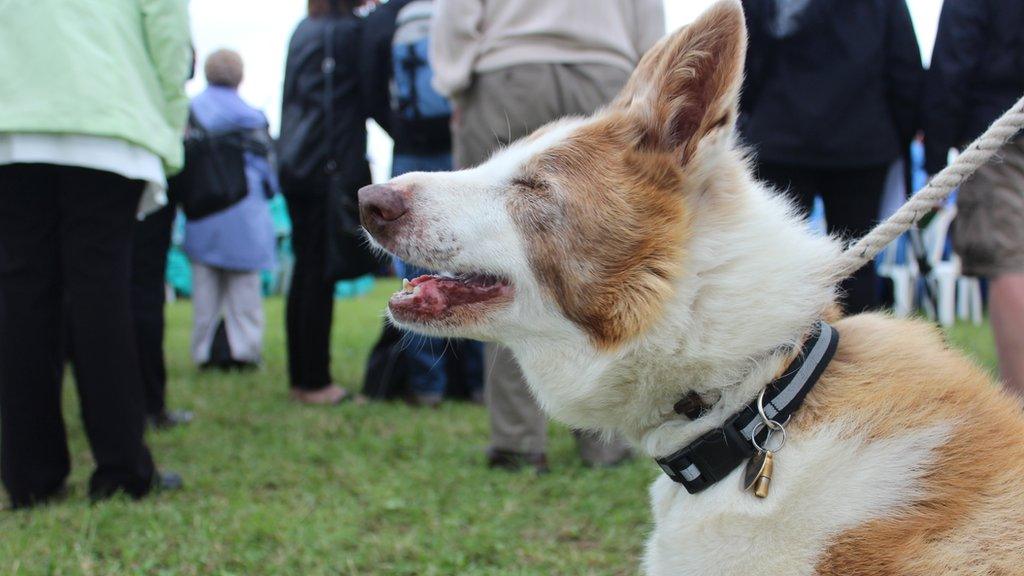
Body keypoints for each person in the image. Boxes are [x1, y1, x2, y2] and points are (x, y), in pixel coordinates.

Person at [430, 0, 665, 470]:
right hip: (608, 72)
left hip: (509, 71)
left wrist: (455, 81)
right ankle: (606, 441)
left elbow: (456, 15)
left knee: (493, 267)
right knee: (602, 266)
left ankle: (518, 442)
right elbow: (649, 22)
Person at [0, 0, 189, 508]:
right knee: (101, 295)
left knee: (21, 294)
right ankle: (122, 468)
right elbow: (168, 32)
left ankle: (29, 477)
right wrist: (169, 122)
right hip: (107, 113)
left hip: (10, 117)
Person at [739, 0, 923, 313]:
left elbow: (747, 59)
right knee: (859, 264)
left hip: (782, 137)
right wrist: (896, 137)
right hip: (861, 143)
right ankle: (859, 357)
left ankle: (779, 356)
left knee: (775, 263)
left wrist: (755, 118)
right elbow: (905, 68)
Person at [361, 0, 484, 407]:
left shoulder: (384, 19)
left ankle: (428, 385)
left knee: (411, 270)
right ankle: (477, 382)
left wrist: (400, 129)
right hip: (457, 144)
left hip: (410, 149)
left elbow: (370, 91)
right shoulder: (455, 9)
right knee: (475, 259)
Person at [925, 0, 1024, 397]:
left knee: (1010, 263)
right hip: (1003, 129)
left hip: (1000, 136)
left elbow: (954, 60)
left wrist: (936, 159)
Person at [278, 0, 369, 405]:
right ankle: (316, 382)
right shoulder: (347, 31)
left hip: (296, 162)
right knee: (319, 273)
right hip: (327, 167)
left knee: (305, 271)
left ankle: (303, 376)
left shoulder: (304, 28)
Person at [183, 50, 279, 371]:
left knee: (205, 293)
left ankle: (204, 353)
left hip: (202, 212)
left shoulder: (191, 110)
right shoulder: (252, 116)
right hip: (246, 214)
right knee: (245, 294)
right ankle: (244, 353)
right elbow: (269, 174)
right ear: (239, 76)